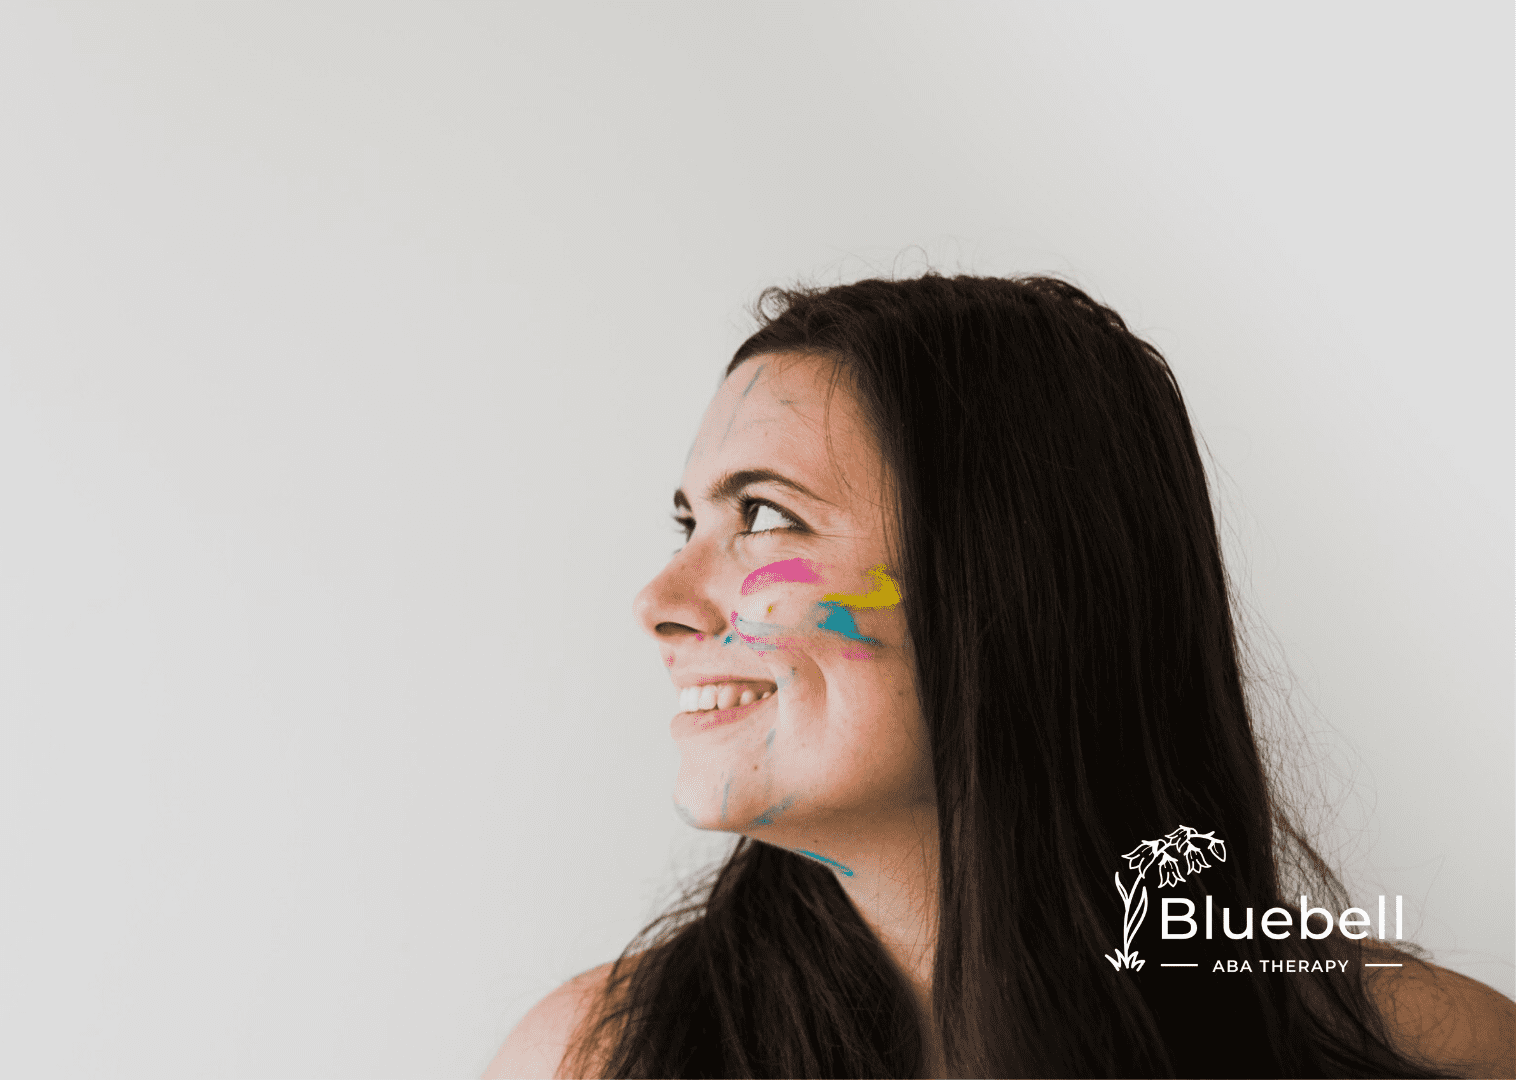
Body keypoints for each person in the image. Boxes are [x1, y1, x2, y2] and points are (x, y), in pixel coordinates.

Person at [484, 275, 1514, 1079]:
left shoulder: (1443, 1055)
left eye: (762, 515)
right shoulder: (591, 1059)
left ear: (1005, 576)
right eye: (690, 521)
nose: (661, 600)